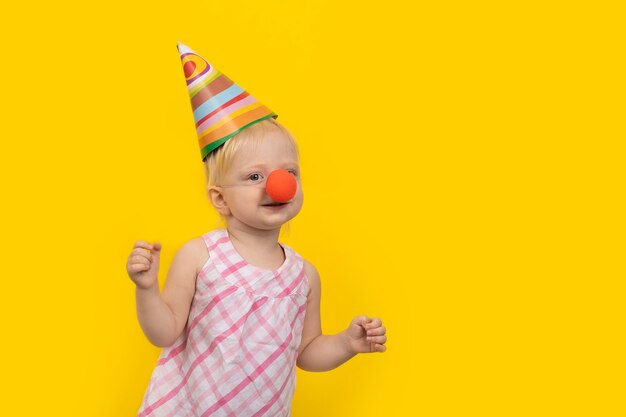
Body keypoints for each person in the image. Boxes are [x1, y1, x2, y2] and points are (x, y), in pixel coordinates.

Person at [126, 43, 387, 417]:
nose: (277, 184)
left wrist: (347, 342)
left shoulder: (303, 276)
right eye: (254, 176)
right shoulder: (200, 256)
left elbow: (307, 352)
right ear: (220, 199)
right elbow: (164, 334)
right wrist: (147, 289)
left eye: (289, 172)